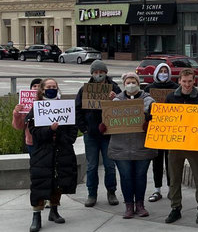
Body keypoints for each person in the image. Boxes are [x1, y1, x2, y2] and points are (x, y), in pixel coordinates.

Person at [26, 78, 77, 232]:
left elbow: (72, 133)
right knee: (39, 182)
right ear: (42, 89)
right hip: (42, 152)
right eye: (49, 87)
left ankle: (54, 211)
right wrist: (50, 130)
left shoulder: (65, 107)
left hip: (62, 151)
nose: (52, 89)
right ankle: (36, 215)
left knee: (58, 181)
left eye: (54, 86)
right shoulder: (37, 108)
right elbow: (34, 132)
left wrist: (60, 133)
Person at [106, 73, 157, 219]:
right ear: (123, 84)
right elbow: (108, 121)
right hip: (120, 147)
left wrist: (149, 121)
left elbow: (157, 120)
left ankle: (140, 205)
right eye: (128, 82)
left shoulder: (149, 101)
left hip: (142, 147)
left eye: (133, 81)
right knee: (126, 177)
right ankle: (129, 205)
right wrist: (104, 126)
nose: (131, 84)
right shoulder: (116, 101)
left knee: (140, 176)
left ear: (138, 83)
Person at [164, 69, 198, 224]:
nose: (187, 84)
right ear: (179, 81)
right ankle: (175, 208)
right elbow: (165, 119)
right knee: (174, 177)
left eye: (190, 81)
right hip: (175, 143)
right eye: (184, 81)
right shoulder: (171, 97)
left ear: (194, 80)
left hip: (194, 144)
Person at [75, 60, 120, 207]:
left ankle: (111, 192)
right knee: (91, 166)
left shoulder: (114, 88)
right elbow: (78, 110)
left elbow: (124, 106)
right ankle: (91, 194)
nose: (98, 75)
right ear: (92, 74)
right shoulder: (84, 90)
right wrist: (84, 128)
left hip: (109, 134)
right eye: (95, 72)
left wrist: (116, 99)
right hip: (91, 134)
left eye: (101, 72)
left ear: (106, 73)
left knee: (110, 166)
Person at [143, 63, 180, 202]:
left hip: (171, 129)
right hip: (156, 130)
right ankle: (157, 189)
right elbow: (144, 109)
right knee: (156, 161)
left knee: (171, 161)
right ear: (156, 73)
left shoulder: (176, 88)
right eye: (161, 71)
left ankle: (172, 189)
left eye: (166, 71)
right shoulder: (149, 88)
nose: (163, 73)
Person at [13, 78, 42, 154]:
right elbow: (19, 126)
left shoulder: (50, 101)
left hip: (49, 141)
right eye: (34, 86)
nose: (36, 88)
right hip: (32, 142)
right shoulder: (25, 106)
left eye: (39, 86)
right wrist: (16, 113)